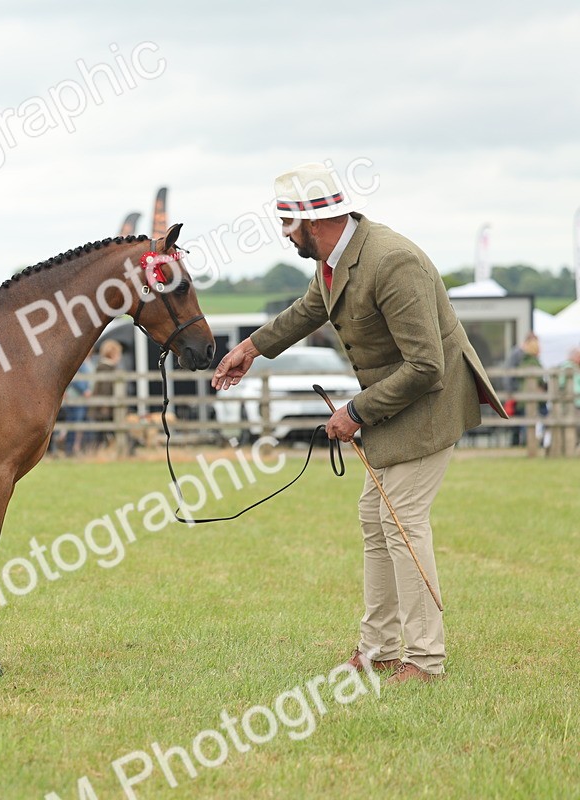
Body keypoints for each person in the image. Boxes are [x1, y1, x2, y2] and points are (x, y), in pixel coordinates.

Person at [212, 163, 507, 686]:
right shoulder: (335, 258)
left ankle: (425, 660)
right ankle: (380, 649)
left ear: (316, 221)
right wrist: (250, 349)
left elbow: (427, 367)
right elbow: (308, 310)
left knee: (402, 522)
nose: (286, 237)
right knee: (376, 518)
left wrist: (355, 411)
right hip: (398, 400)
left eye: (288, 225)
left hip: (432, 401)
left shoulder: (393, 262)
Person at [502, 332, 544, 446]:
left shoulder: (524, 354)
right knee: (518, 421)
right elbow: (509, 374)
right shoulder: (518, 354)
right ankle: (519, 444)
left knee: (521, 420)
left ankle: (519, 444)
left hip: (520, 392)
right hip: (517, 392)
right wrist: (512, 392)